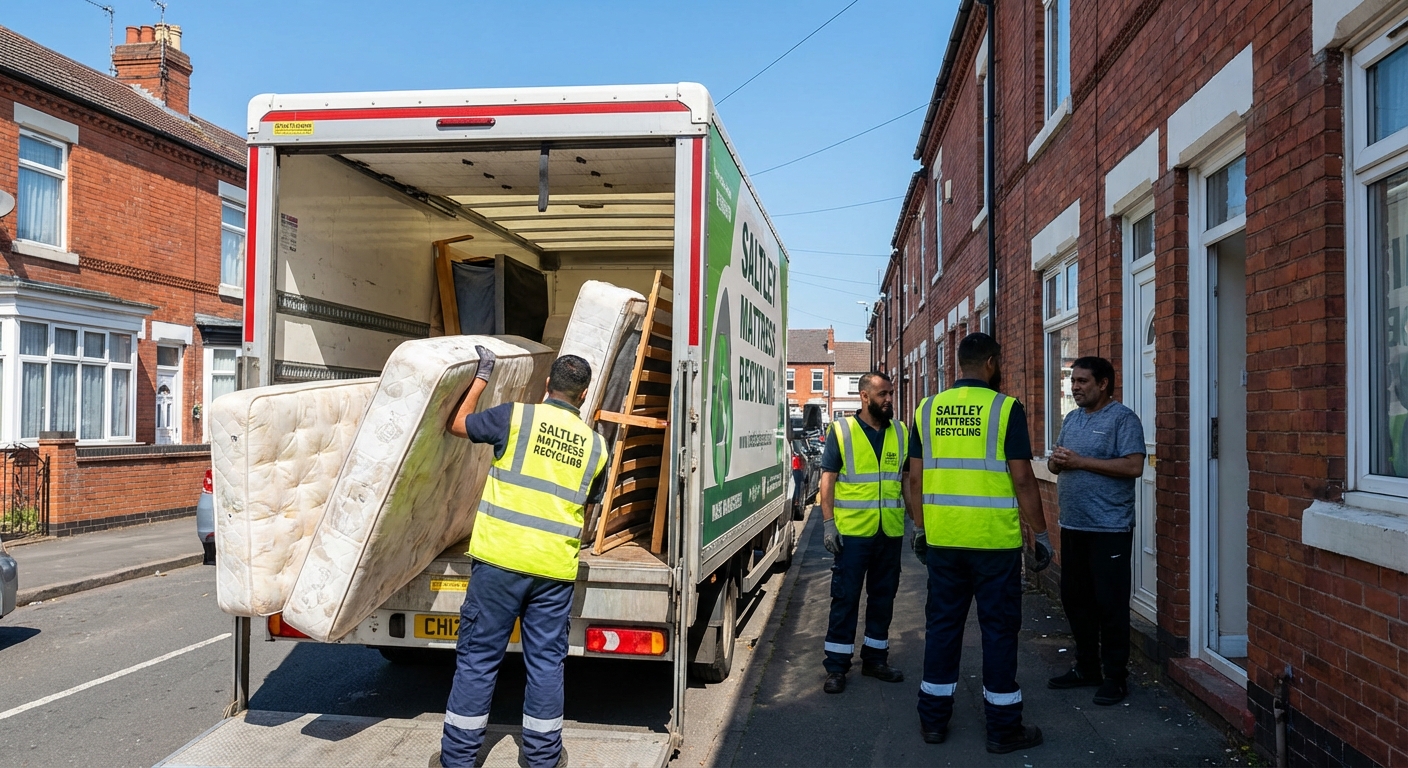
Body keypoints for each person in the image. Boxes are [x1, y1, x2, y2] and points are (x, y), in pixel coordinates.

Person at [440, 350, 609, 768]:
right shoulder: (597, 446)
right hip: (553, 570)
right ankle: (542, 759)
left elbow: (457, 424)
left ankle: (459, 760)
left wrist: (481, 377)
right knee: (546, 666)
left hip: (499, 561)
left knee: (478, 661)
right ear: (584, 396)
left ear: (546, 385)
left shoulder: (515, 418)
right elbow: (589, 504)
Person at [906, 332, 1052, 754]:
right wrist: (1040, 534)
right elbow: (1023, 477)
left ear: (958, 363)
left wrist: (919, 529)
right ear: (990, 362)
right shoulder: (1005, 409)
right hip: (994, 544)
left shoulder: (927, 408)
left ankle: (933, 721)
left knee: (942, 628)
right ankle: (1003, 729)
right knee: (999, 632)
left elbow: (914, 479)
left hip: (945, 541)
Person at [1046, 356, 1146, 706]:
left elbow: (1134, 466)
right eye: (1073, 381)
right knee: (1076, 601)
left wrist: (1080, 462)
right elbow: (1055, 465)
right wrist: (1056, 462)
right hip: (1073, 526)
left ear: (1103, 383)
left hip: (1109, 529)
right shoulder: (1072, 419)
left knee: (1110, 605)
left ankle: (1115, 676)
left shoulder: (1123, 419)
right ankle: (1086, 666)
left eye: (1083, 381)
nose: (1075, 387)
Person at [818, 372, 909, 693]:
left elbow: (907, 481)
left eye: (891, 393)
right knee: (845, 598)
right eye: (883, 394)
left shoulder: (900, 431)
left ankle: (875, 659)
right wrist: (828, 522)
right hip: (852, 533)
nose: (889, 400)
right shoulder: (842, 431)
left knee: (883, 598)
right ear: (865, 397)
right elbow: (827, 478)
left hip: (890, 532)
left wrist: (919, 525)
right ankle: (837, 667)